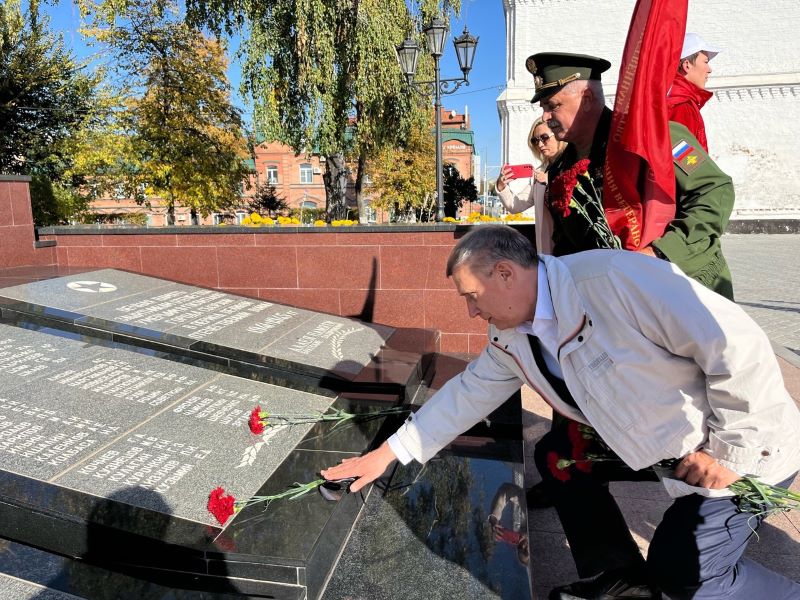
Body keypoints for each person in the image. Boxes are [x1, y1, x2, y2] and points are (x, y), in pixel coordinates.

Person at [321, 224, 800, 600]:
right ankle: (621, 578)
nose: (470, 312)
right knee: (559, 458)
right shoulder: (511, 333)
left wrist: (734, 450)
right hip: (667, 449)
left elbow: (734, 343)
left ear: (504, 273)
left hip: (744, 450)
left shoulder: (613, 280)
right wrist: (387, 454)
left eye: (471, 296)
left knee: (684, 572)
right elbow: (468, 393)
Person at [529, 52, 734, 300]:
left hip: (685, 289)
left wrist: (660, 253)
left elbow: (714, 190)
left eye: (553, 106)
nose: (545, 117)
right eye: (543, 108)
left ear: (586, 99)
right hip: (619, 303)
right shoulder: (561, 169)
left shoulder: (652, 138)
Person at [495, 119, 566, 249]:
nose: (540, 144)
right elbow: (515, 205)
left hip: (573, 244)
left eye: (544, 137)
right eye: (535, 140)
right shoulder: (539, 173)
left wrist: (549, 180)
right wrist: (501, 186)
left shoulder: (572, 162)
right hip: (549, 247)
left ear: (558, 134)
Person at [668, 33, 722, 152]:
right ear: (687, 65)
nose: (710, 70)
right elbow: (684, 158)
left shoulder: (670, 97)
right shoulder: (682, 106)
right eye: (706, 62)